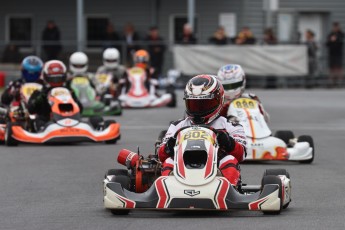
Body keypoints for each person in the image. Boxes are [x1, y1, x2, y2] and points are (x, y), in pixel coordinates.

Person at [158, 75, 246, 187]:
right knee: (169, 162)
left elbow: (242, 154)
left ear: (219, 100)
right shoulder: (177, 126)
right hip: (183, 167)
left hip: (216, 171)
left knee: (229, 160)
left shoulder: (230, 126)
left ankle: (229, 190)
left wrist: (228, 142)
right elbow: (161, 155)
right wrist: (169, 146)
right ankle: (166, 189)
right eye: (194, 104)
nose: (198, 110)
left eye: (204, 104)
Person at [28, 60, 82, 131]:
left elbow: (80, 108)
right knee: (37, 120)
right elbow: (31, 109)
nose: (56, 81)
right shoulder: (39, 92)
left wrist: (72, 97)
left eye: (59, 78)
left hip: (69, 119)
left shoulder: (69, 91)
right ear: (46, 77)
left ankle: (70, 125)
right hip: (46, 121)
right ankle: (42, 130)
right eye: (53, 78)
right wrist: (41, 98)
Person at [326, 22, 344, 87]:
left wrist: (336, 39)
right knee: (332, 67)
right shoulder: (330, 34)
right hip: (332, 53)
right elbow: (327, 43)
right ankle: (331, 82)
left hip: (338, 53)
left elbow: (341, 41)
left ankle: (339, 81)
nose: (335, 28)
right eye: (334, 27)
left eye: (336, 27)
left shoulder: (341, 34)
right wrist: (331, 40)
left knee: (338, 67)